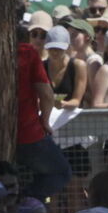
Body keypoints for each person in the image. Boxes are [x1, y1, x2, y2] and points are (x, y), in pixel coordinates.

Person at [15, 28, 71, 202]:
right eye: (34, 35)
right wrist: (45, 121)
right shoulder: (27, 52)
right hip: (28, 133)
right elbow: (46, 93)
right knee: (62, 172)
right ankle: (26, 202)